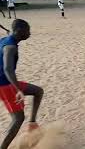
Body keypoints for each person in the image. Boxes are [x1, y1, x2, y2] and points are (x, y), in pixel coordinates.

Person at [0, 19, 44, 149]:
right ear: (19, 31)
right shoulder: (10, 47)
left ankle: (32, 123)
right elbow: (8, 69)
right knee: (18, 119)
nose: (29, 33)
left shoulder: (6, 40)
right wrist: (18, 89)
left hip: (7, 81)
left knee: (38, 91)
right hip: (4, 84)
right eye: (27, 31)